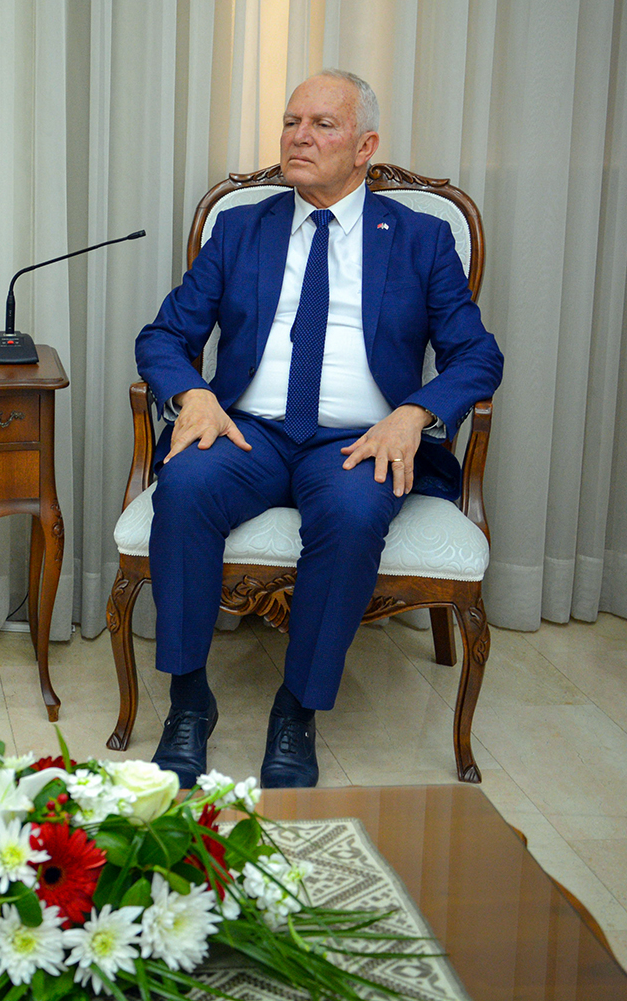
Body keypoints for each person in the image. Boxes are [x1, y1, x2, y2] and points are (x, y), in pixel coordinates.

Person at [134, 69, 503, 789]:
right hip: (250, 432)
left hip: (358, 440)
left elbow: (477, 356)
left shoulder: (421, 240)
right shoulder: (242, 229)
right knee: (184, 487)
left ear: (365, 146)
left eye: (322, 125)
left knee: (355, 512)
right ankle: (188, 702)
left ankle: (296, 710)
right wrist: (193, 394)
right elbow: (164, 336)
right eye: (290, 122)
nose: (298, 137)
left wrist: (414, 414)